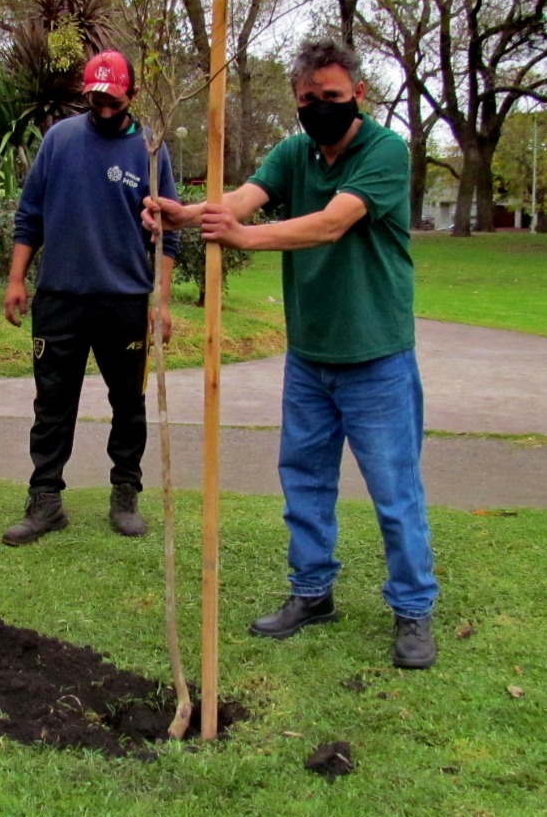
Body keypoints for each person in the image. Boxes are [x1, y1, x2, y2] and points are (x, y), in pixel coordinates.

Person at [144, 37, 438, 669]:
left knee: (395, 491)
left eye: (331, 96)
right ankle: (312, 592)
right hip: (309, 357)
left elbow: (331, 223)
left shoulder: (385, 151)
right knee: (303, 481)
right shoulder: (292, 153)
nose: (319, 107)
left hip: (377, 358)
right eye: (308, 98)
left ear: (358, 94)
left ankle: (413, 607)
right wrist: (186, 215)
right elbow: (240, 201)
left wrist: (244, 238)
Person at [2, 49, 181, 546]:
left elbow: (169, 233)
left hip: (125, 302)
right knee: (52, 404)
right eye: (95, 100)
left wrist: (161, 301)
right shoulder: (59, 140)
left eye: (113, 102)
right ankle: (45, 500)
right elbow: (30, 215)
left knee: (129, 404)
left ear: (132, 96)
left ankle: (125, 493)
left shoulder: (150, 150)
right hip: (59, 299)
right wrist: (16, 280)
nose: (103, 109)